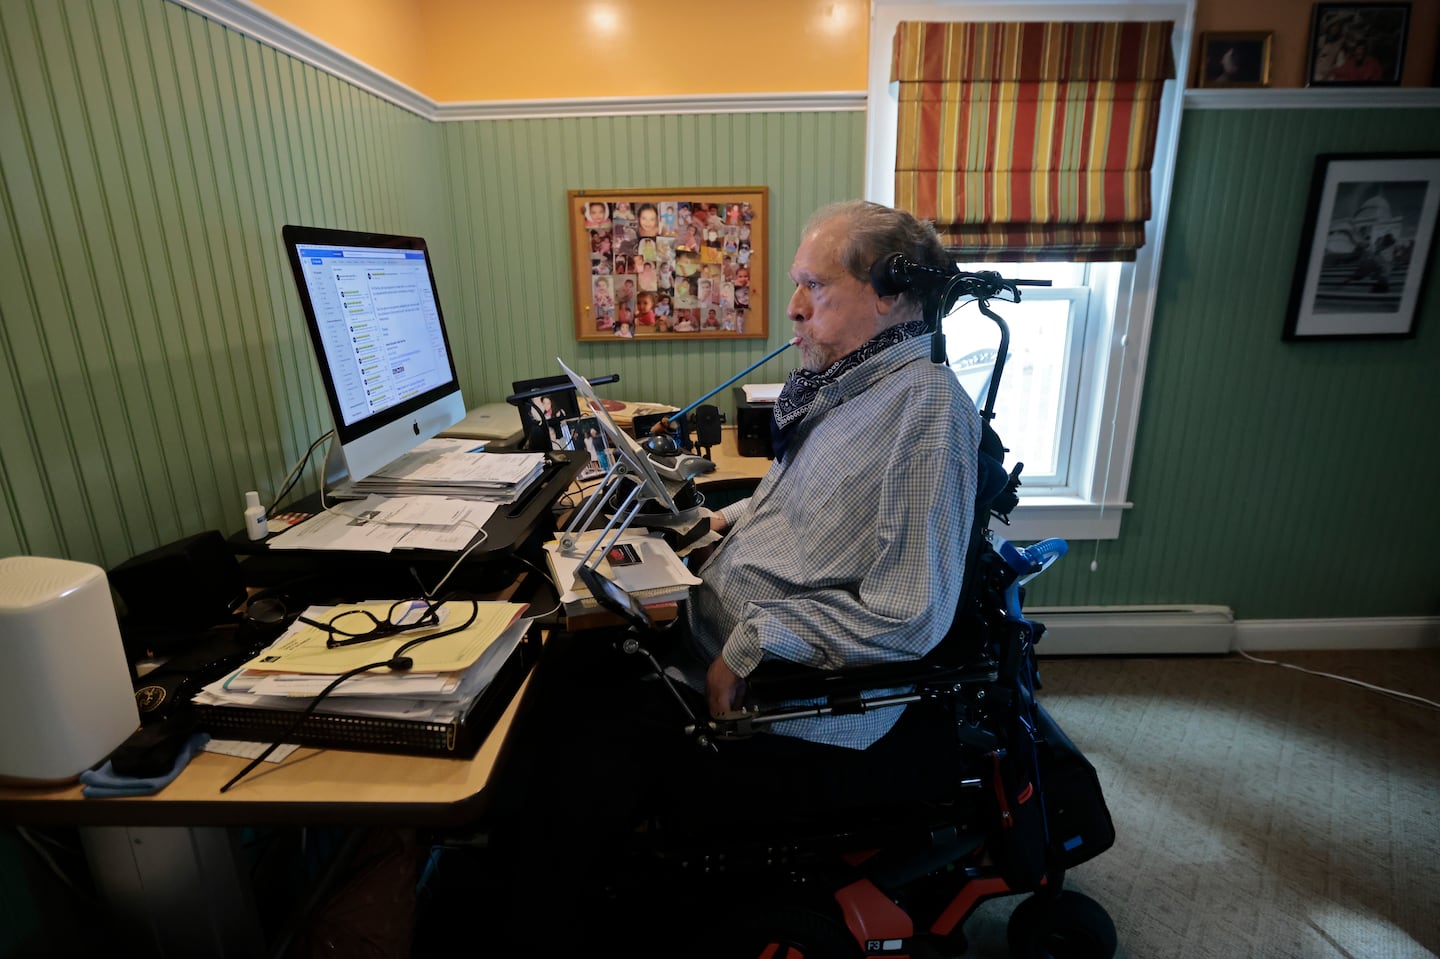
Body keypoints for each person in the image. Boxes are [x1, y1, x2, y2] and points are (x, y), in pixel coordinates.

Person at [490, 200, 978, 950]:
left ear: (887, 292)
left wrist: (751, 642)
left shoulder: (926, 409)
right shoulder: (854, 389)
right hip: (711, 633)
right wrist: (716, 524)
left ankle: (535, 925)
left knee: (580, 744)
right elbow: (818, 506)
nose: (792, 306)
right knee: (556, 677)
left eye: (815, 286)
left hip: (783, 694)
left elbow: (912, 611)